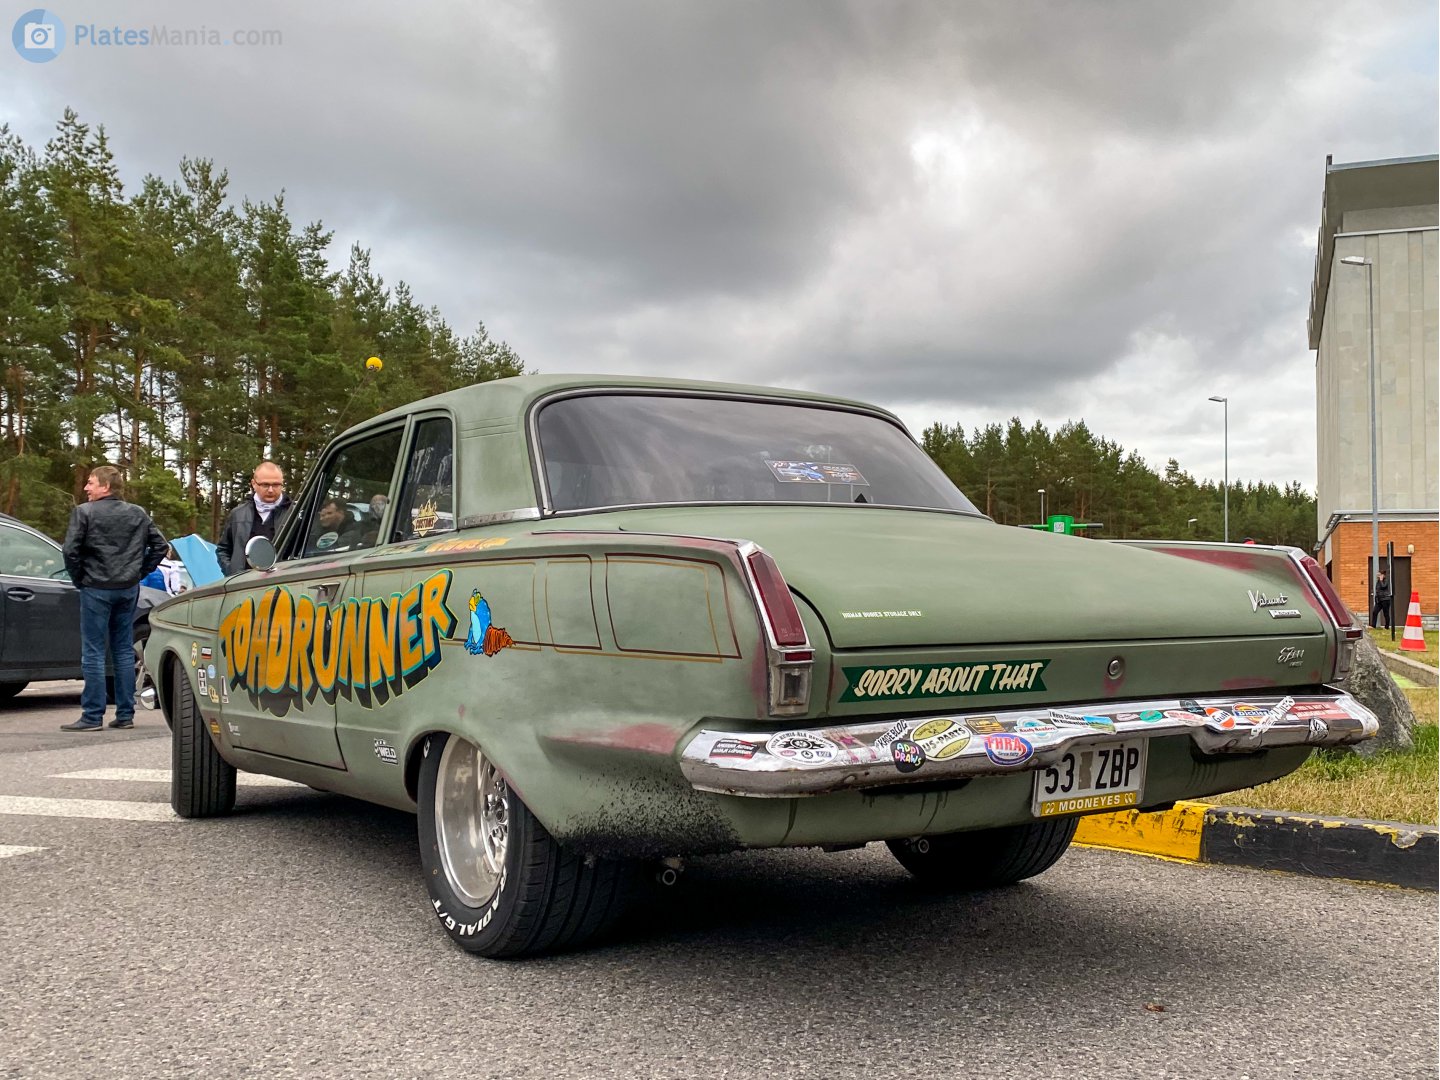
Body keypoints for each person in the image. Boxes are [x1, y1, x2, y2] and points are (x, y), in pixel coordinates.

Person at [59, 466, 168, 731]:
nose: (86, 488)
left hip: (96, 587)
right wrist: (139, 571)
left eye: (91, 483)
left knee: (94, 650)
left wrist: (80, 579)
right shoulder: (137, 513)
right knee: (122, 649)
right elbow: (161, 546)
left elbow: (70, 550)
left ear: (105, 487)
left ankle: (92, 715)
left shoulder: (83, 513)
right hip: (127, 587)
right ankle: (125, 714)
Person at [217, 461, 291, 576]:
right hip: (243, 586)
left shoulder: (294, 514)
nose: (271, 490)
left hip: (282, 585)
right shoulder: (238, 514)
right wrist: (231, 571)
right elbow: (223, 550)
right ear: (253, 484)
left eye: (276, 485)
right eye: (265, 485)